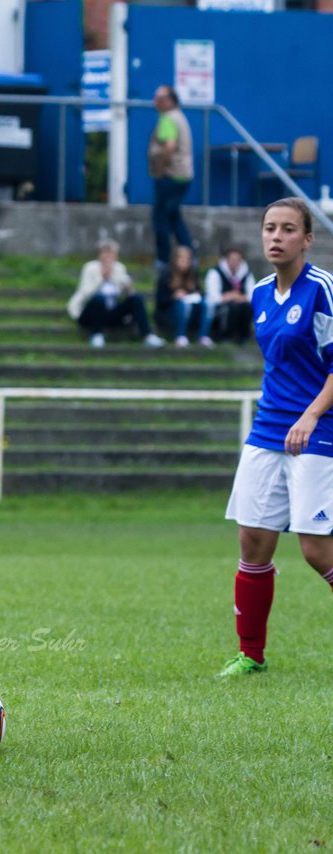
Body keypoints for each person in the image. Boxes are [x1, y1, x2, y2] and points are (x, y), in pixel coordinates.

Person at [221, 198, 333, 678]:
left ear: (307, 239)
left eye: (288, 229)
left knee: (315, 548)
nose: (276, 236)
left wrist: (309, 416)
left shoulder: (323, 291)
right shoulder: (260, 292)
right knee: (253, 541)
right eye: (269, 228)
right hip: (268, 428)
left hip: (318, 428)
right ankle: (251, 655)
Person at [68, 238, 165, 349]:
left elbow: (128, 293)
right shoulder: (90, 267)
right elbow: (85, 294)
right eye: (105, 253)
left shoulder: (119, 268)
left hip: (112, 312)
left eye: (111, 254)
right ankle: (97, 335)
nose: (108, 257)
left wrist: (127, 286)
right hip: (91, 313)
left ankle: (148, 336)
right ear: (99, 254)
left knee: (137, 298)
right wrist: (101, 278)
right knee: (99, 298)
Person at [148, 84, 194, 268]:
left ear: (170, 101)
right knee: (174, 217)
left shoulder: (168, 119)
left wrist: (159, 168)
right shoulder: (179, 117)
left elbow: (169, 146)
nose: (155, 103)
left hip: (171, 175)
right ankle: (190, 255)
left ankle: (164, 260)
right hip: (183, 175)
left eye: (159, 99)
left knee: (160, 218)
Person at [156, 245, 213, 348]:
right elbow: (160, 301)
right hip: (170, 314)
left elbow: (201, 292)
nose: (185, 262)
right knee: (182, 304)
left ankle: (203, 336)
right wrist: (174, 296)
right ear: (175, 260)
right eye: (182, 259)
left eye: (187, 259)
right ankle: (180, 336)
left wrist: (196, 295)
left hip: (192, 313)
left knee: (207, 303)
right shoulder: (166, 276)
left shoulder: (193, 275)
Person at [204, 245, 257, 345]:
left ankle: (243, 337)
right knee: (231, 307)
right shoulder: (215, 272)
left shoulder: (246, 273)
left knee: (246, 307)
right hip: (220, 308)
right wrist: (232, 296)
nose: (235, 262)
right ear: (226, 259)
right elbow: (213, 297)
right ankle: (225, 336)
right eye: (232, 259)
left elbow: (253, 295)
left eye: (238, 259)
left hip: (240, 304)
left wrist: (239, 298)